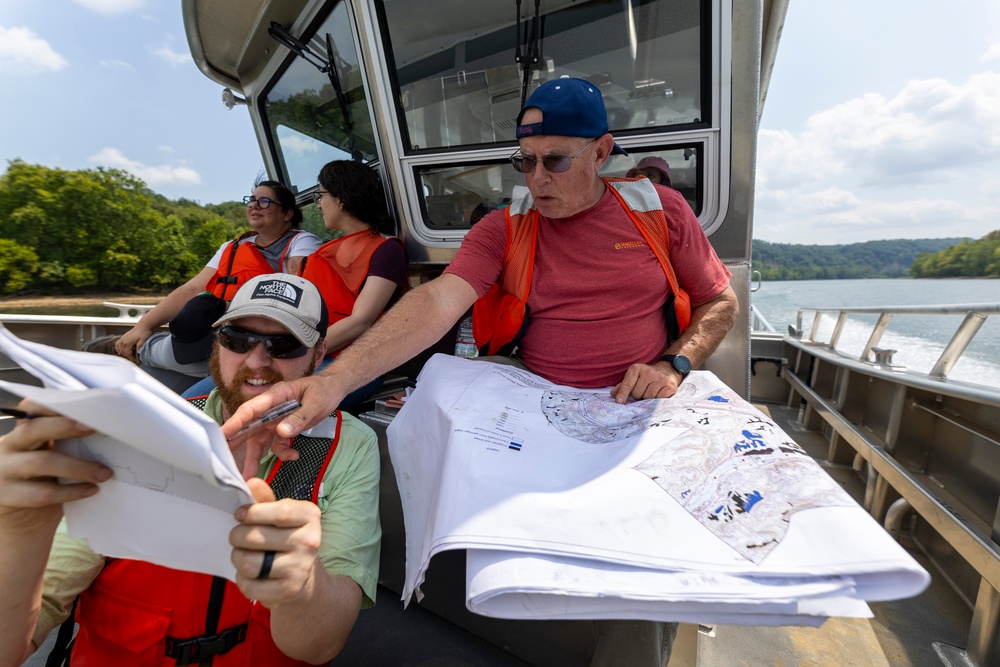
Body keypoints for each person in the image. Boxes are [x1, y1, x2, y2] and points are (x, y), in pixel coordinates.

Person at [225, 76, 739, 666]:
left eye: (555, 161)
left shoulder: (659, 212)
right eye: (525, 162)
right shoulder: (505, 227)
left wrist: (674, 363)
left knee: (647, 564)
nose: (536, 179)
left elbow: (720, 303)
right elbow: (441, 298)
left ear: (602, 151)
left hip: (642, 406)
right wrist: (335, 378)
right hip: (542, 407)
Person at [0, 273, 380, 666]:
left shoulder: (349, 446)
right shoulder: (145, 428)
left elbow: (321, 645)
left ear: (318, 356)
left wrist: (300, 584)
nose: (256, 360)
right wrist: (21, 529)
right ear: (218, 344)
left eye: (283, 345)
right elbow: (17, 641)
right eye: (237, 339)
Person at [183, 161, 407, 408]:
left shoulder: (386, 250)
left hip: (348, 361)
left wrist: (301, 353)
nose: (319, 204)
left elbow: (361, 320)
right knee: (193, 402)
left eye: (321, 195)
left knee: (254, 408)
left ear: (341, 199)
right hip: (301, 353)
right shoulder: (324, 251)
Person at [85, 181, 322, 380]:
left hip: (256, 334)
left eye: (264, 201)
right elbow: (193, 288)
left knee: (190, 362)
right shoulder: (233, 246)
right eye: (251, 200)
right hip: (212, 328)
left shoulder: (301, 243)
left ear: (288, 213)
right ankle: (135, 350)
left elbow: (297, 288)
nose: (254, 206)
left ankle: (135, 350)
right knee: (162, 372)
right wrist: (143, 325)